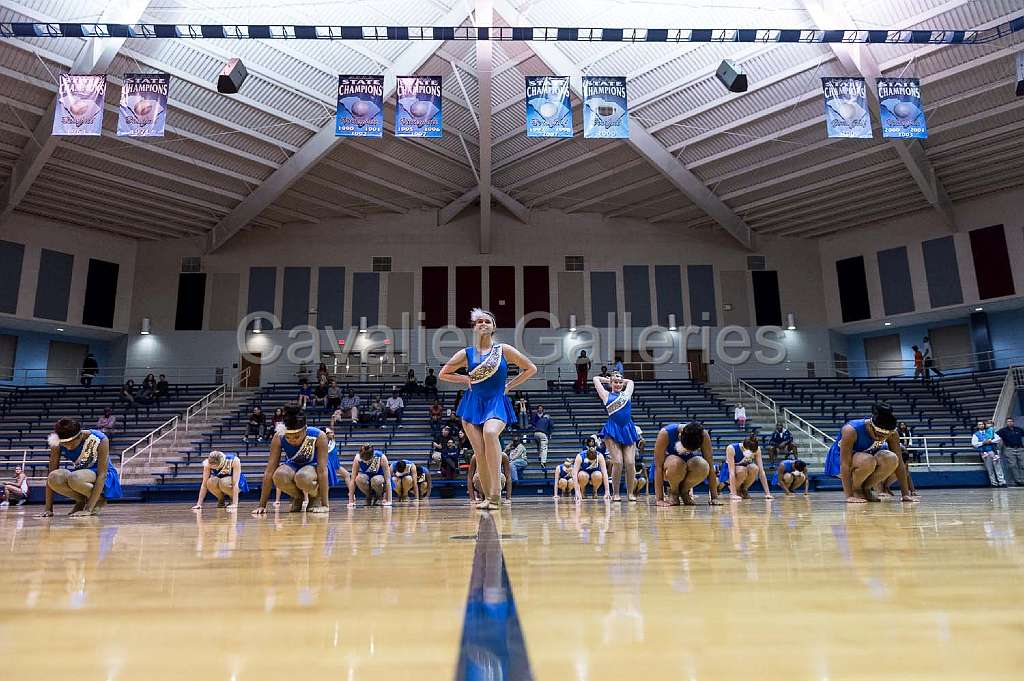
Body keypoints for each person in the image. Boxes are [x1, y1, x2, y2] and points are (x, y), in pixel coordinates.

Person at [439, 308, 537, 511]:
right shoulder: (466, 353)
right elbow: (443, 373)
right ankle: (489, 498)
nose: (483, 324)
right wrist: (465, 378)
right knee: (480, 454)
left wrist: (510, 385)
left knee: (490, 433)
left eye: (487, 321)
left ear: (493, 327)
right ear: (474, 327)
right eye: (479, 321)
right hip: (473, 405)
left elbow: (530, 368)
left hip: (496, 402)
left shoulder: (504, 350)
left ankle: (496, 495)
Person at [823, 402, 915, 503]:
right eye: (879, 435)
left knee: (892, 459)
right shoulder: (851, 430)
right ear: (871, 426)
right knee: (867, 460)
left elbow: (900, 463)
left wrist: (905, 494)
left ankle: (866, 489)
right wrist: (849, 496)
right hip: (840, 460)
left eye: (885, 437)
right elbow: (844, 464)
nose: (880, 438)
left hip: (866, 456)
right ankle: (856, 490)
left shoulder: (893, 434)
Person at [252, 405, 333, 515]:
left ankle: (315, 497)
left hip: (314, 467)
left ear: (305, 429)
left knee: (303, 476)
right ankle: (298, 497)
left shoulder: (319, 436)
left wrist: (325, 505)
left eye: (296, 437)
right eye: (288, 437)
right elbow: (269, 471)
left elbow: (322, 470)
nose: (292, 441)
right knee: (278, 475)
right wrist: (262, 505)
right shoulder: (278, 437)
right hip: (294, 464)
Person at [38, 418, 123, 517]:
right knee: (53, 477)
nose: (68, 447)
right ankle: (81, 500)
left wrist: (88, 510)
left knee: (75, 477)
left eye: (72, 443)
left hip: (104, 475)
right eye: (65, 444)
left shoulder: (100, 439)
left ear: (81, 436)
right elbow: (51, 473)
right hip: (81, 474)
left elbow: (102, 475)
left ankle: (99, 499)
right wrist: (48, 509)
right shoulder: (57, 443)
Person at [594, 371, 640, 501]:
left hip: (628, 429)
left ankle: (630, 493)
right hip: (612, 429)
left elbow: (631, 382)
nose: (618, 384)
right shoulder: (606, 395)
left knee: (630, 463)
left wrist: (621, 379)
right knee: (618, 462)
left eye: (620, 382)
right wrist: (609, 379)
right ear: (611, 383)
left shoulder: (627, 393)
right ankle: (616, 493)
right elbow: (595, 378)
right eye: (616, 382)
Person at [653, 422, 722, 507]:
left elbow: (711, 467)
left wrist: (714, 497)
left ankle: (684, 491)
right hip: (668, 468)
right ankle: (674, 492)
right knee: (676, 463)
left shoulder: (703, 435)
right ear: (679, 435)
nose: (687, 452)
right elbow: (658, 467)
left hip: (688, 466)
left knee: (704, 466)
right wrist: (659, 499)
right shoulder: (665, 433)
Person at [720, 435, 773, 500]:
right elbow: (731, 472)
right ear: (744, 447)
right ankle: (735, 490)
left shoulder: (757, 449)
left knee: (755, 468)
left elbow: (761, 471)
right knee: (742, 470)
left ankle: (744, 489)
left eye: (753, 452)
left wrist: (767, 494)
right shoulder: (731, 448)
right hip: (729, 470)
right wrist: (733, 494)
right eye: (750, 451)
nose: (751, 453)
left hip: (743, 468)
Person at [972, 420, 1005, 488]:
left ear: (984, 425)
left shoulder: (990, 431)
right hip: (985, 452)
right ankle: (993, 483)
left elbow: (998, 439)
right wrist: (983, 443)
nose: (981, 425)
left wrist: (990, 441)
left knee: (998, 467)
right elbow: (974, 444)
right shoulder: (976, 434)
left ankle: (1002, 482)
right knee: (990, 468)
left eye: (982, 424)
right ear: (977, 426)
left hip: (992, 451)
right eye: (979, 424)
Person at [996, 417, 1024, 486]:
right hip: (1009, 449)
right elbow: (994, 436)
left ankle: (1023, 479)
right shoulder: (1003, 431)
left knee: (1022, 465)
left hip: (1020, 449)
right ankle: (1018, 481)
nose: (1010, 422)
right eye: (1008, 421)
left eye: (1011, 421)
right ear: (1006, 423)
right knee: (1013, 465)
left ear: (1013, 422)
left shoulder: (1018, 429)